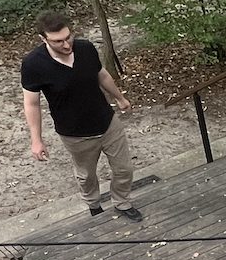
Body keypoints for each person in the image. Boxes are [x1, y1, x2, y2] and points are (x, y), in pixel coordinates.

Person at [22, 11, 143, 222]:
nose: (67, 45)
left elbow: (102, 74)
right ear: (43, 39)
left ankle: (122, 202)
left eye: (68, 37)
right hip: (75, 133)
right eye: (58, 41)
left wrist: (120, 98)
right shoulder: (33, 64)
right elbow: (31, 103)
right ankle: (94, 205)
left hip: (107, 121)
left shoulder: (85, 48)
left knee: (124, 168)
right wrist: (36, 140)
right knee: (86, 175)